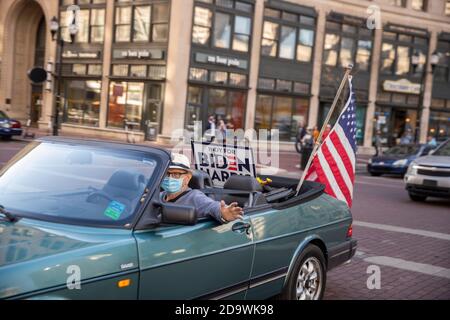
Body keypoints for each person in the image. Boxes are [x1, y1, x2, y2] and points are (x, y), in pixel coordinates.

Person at [160, 153, 243, 223]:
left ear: (187, 178)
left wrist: (223, 212)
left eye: (176, 174)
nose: (170, 178)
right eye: (166, 174)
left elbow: (211, 206)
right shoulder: (159, 195)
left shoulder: (194, 197)